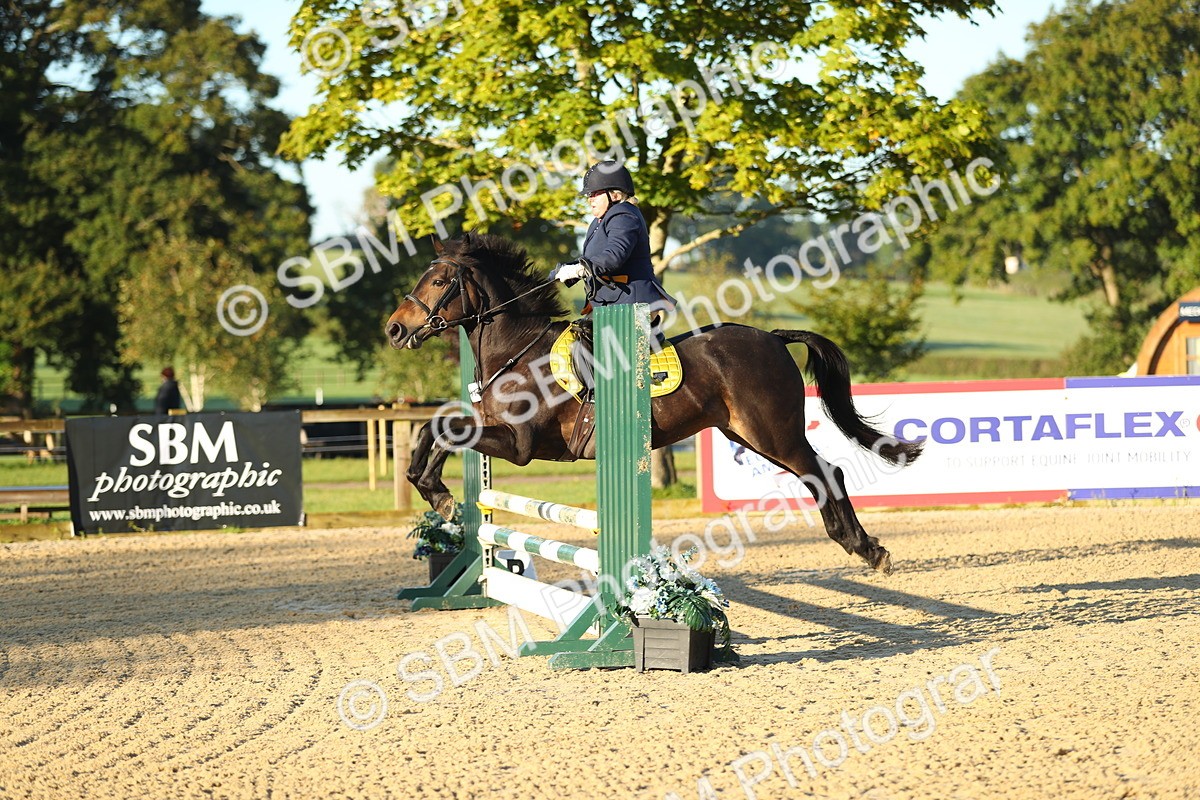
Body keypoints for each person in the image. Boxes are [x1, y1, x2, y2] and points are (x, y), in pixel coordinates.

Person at [553, 161, 676, 313]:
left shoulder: (624, 215)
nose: (590, 199)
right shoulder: (598, 222)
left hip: (632, 304)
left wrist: (581, 269)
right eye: (589, 194)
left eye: (595, 193)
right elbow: (591, 258)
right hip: (608, 303)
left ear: (615, 195)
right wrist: (557, 274)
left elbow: (614, 256)